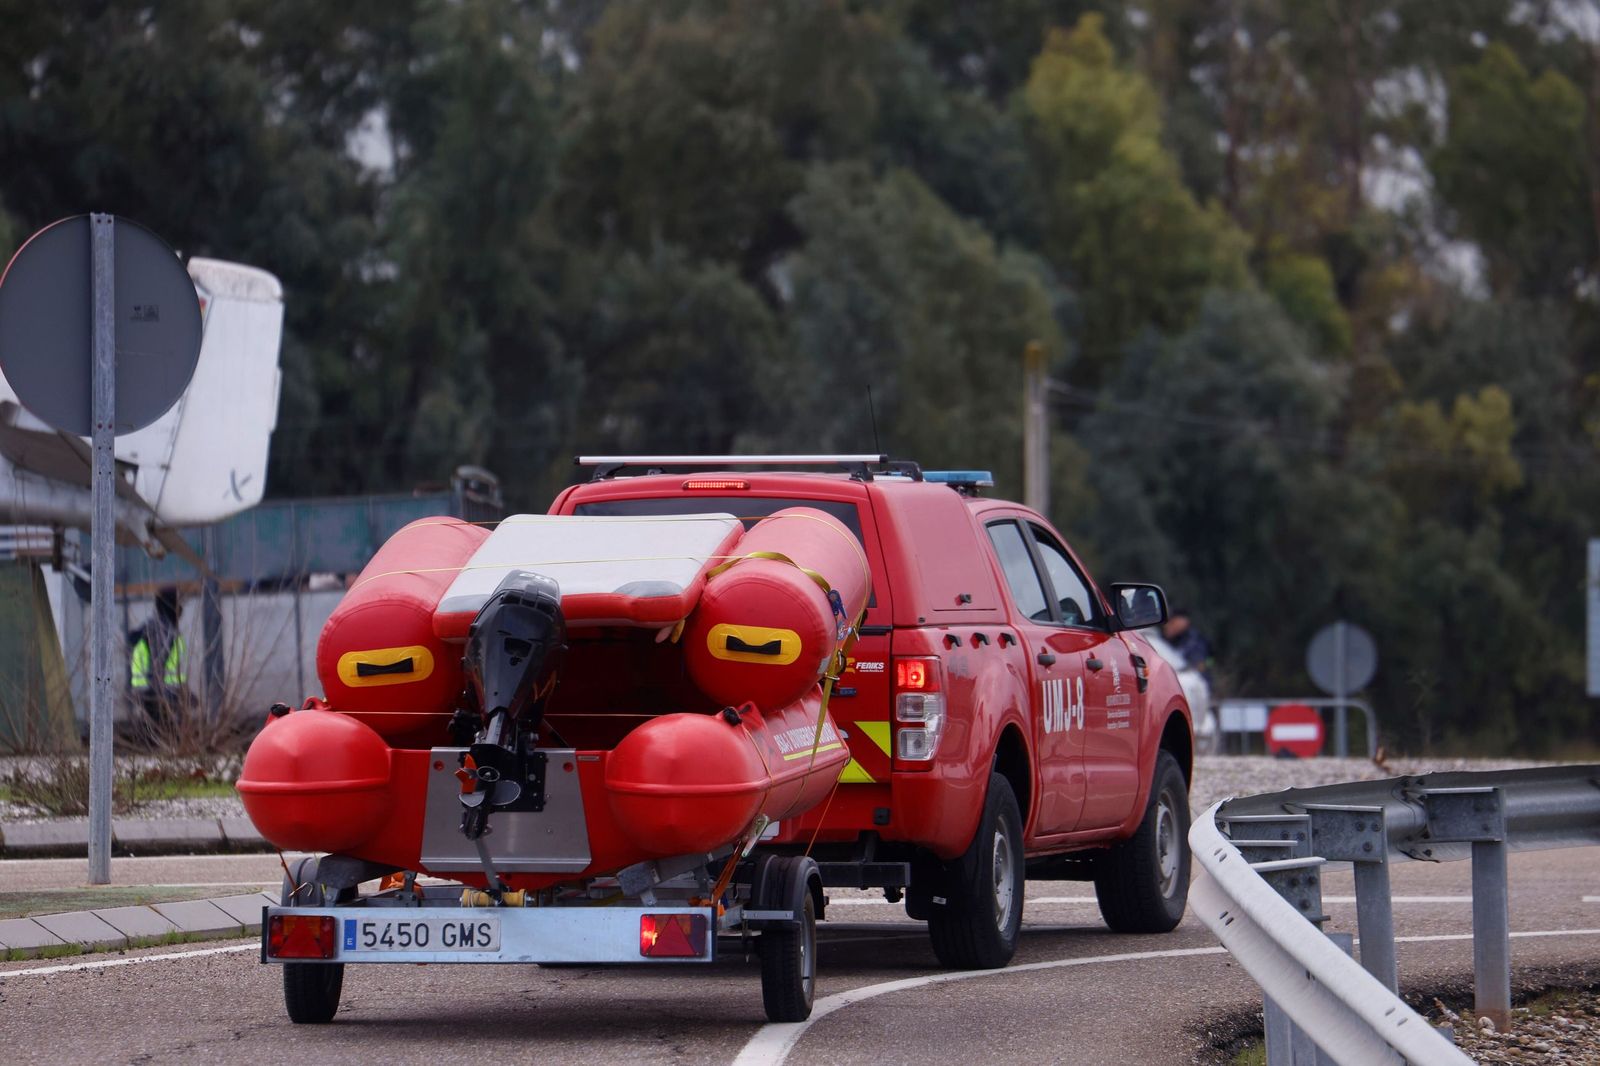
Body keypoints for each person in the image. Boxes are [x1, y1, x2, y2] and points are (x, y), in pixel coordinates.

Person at [130, 586, 189, 723]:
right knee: (166, 732)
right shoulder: (165, 630)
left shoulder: (154, 627)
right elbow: (160, 663)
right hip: (160, 694)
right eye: (178, 604)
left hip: (154, 693)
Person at [1161, 608, 1212, 683]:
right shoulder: (1169, 640)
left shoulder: (1194, 642)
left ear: (1183, 622)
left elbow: (1200, 666)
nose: (1166, 626)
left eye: (1172, 622)